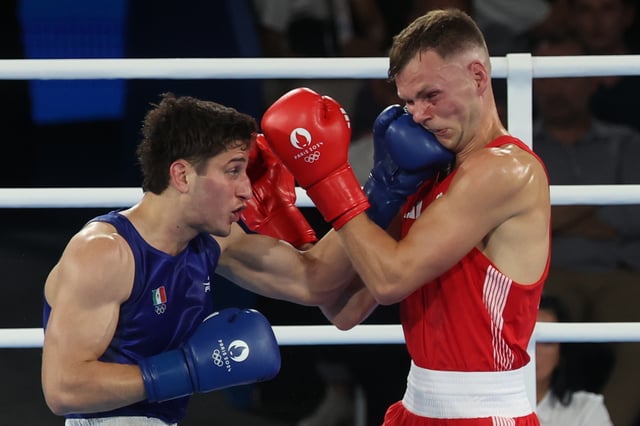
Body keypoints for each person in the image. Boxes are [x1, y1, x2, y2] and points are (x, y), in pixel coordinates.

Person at [261, 7, 551, 425]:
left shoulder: (505, 169)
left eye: (431, 95)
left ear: (478, 77)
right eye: (408, 102)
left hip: (483, 416)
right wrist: (373, 191)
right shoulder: (426, 173)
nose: (418, 115)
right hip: (414, 408)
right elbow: (343, 310)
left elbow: (390, 279)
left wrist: (329, 181)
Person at [41, 92, 377, 425]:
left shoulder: (212, 241)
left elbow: (314, 282)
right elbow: (64, 389)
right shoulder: (104, 252)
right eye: (233, 171)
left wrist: (383, 188)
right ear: (183, 175)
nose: (247, 189)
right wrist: (186, 370)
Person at [535, 293, 613, 425]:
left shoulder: (586, 410)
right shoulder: (489, 406)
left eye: (547, 342)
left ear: (561, 354)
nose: (534, 351)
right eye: (526, 340)